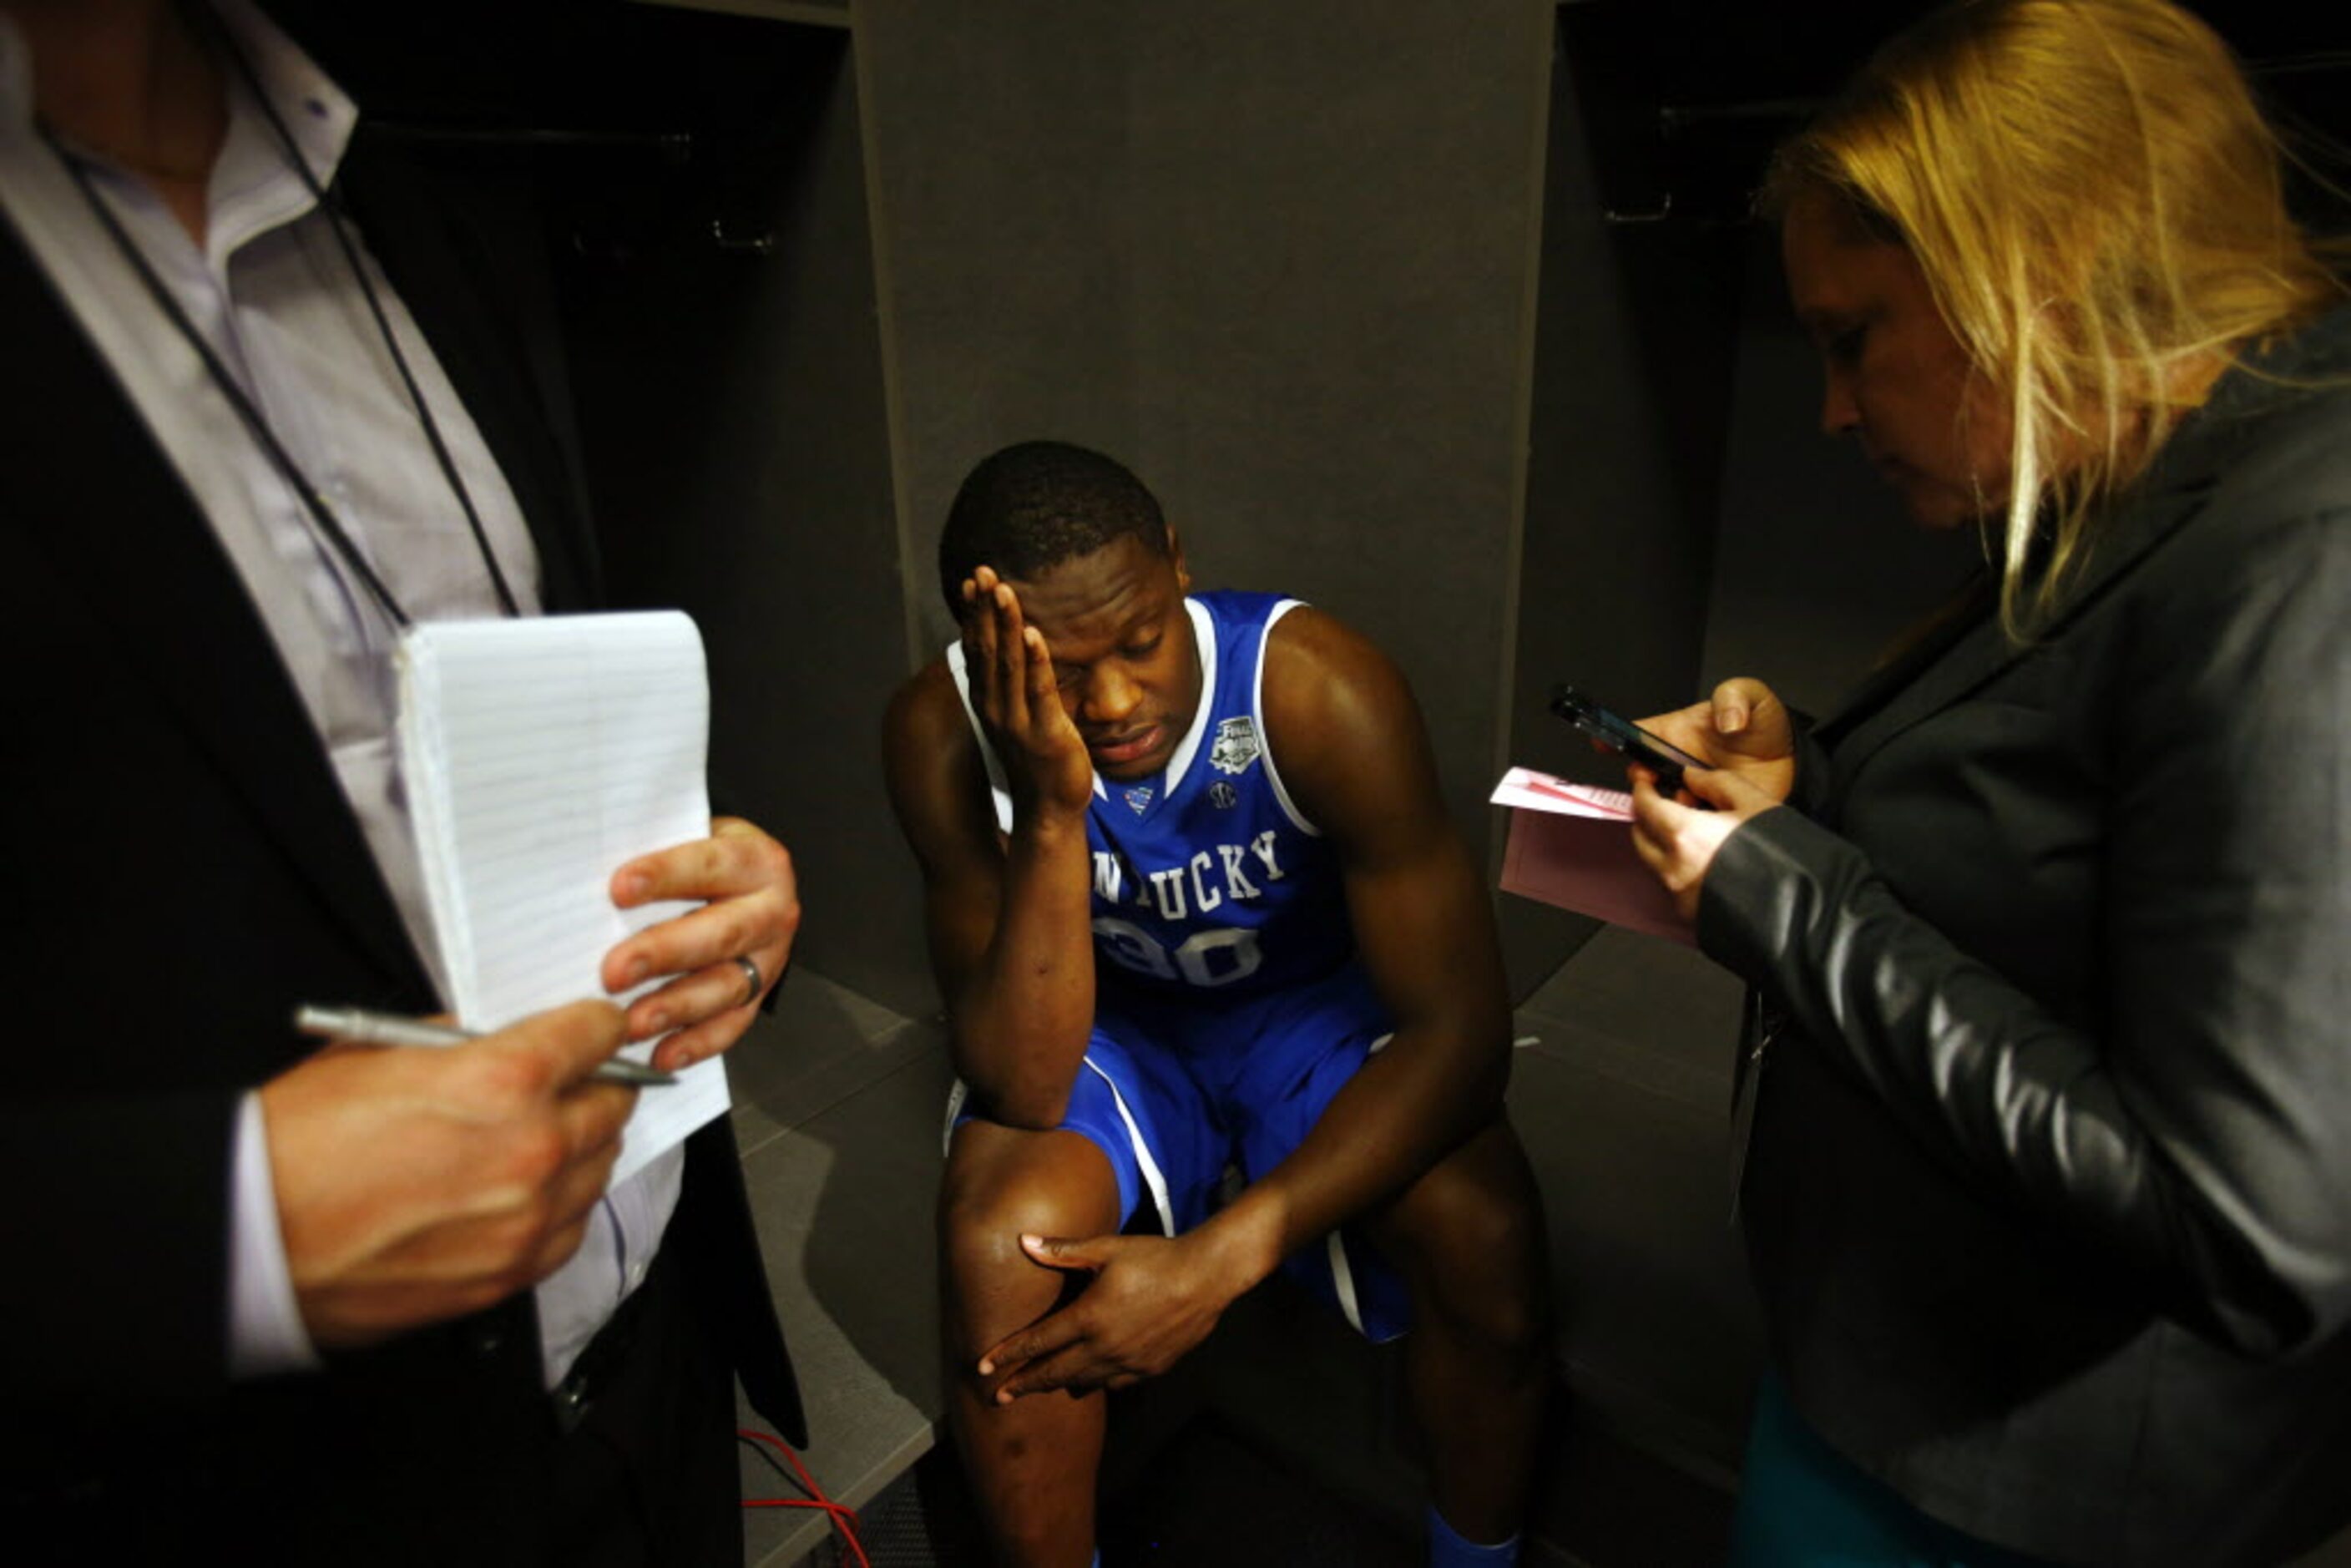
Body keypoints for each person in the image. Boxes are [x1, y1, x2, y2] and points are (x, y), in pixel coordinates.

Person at [0, 2, 804, 1560]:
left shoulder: (408, 195)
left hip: (651, 1374)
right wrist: (231, 1228)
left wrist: (701, 873)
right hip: (261, 1494)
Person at [1619, 2, 2351, 1563]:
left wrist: (1777, 889)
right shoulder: (2162, 480)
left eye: (1855, 336)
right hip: (1902, 1388)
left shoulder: (2310, 557)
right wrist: (1805, 773)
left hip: (2019, 1495)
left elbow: (2255, 1234)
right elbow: (2072, 839)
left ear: (2037, 261)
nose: (1829, 409)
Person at [882, 441, 1551, 1568]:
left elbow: (1467, 1036)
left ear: (1179, 567)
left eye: (1141, 639)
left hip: (1304, 1012)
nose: (1112, 699)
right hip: (1112, 1030)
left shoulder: (1319, 686)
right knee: (998, 1248)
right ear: (980, 643)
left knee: (1486, 1232)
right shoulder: (941, 736)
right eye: (1056, 668)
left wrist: (1218, 1259)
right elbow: (1021, 1079)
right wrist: (1051, 804)